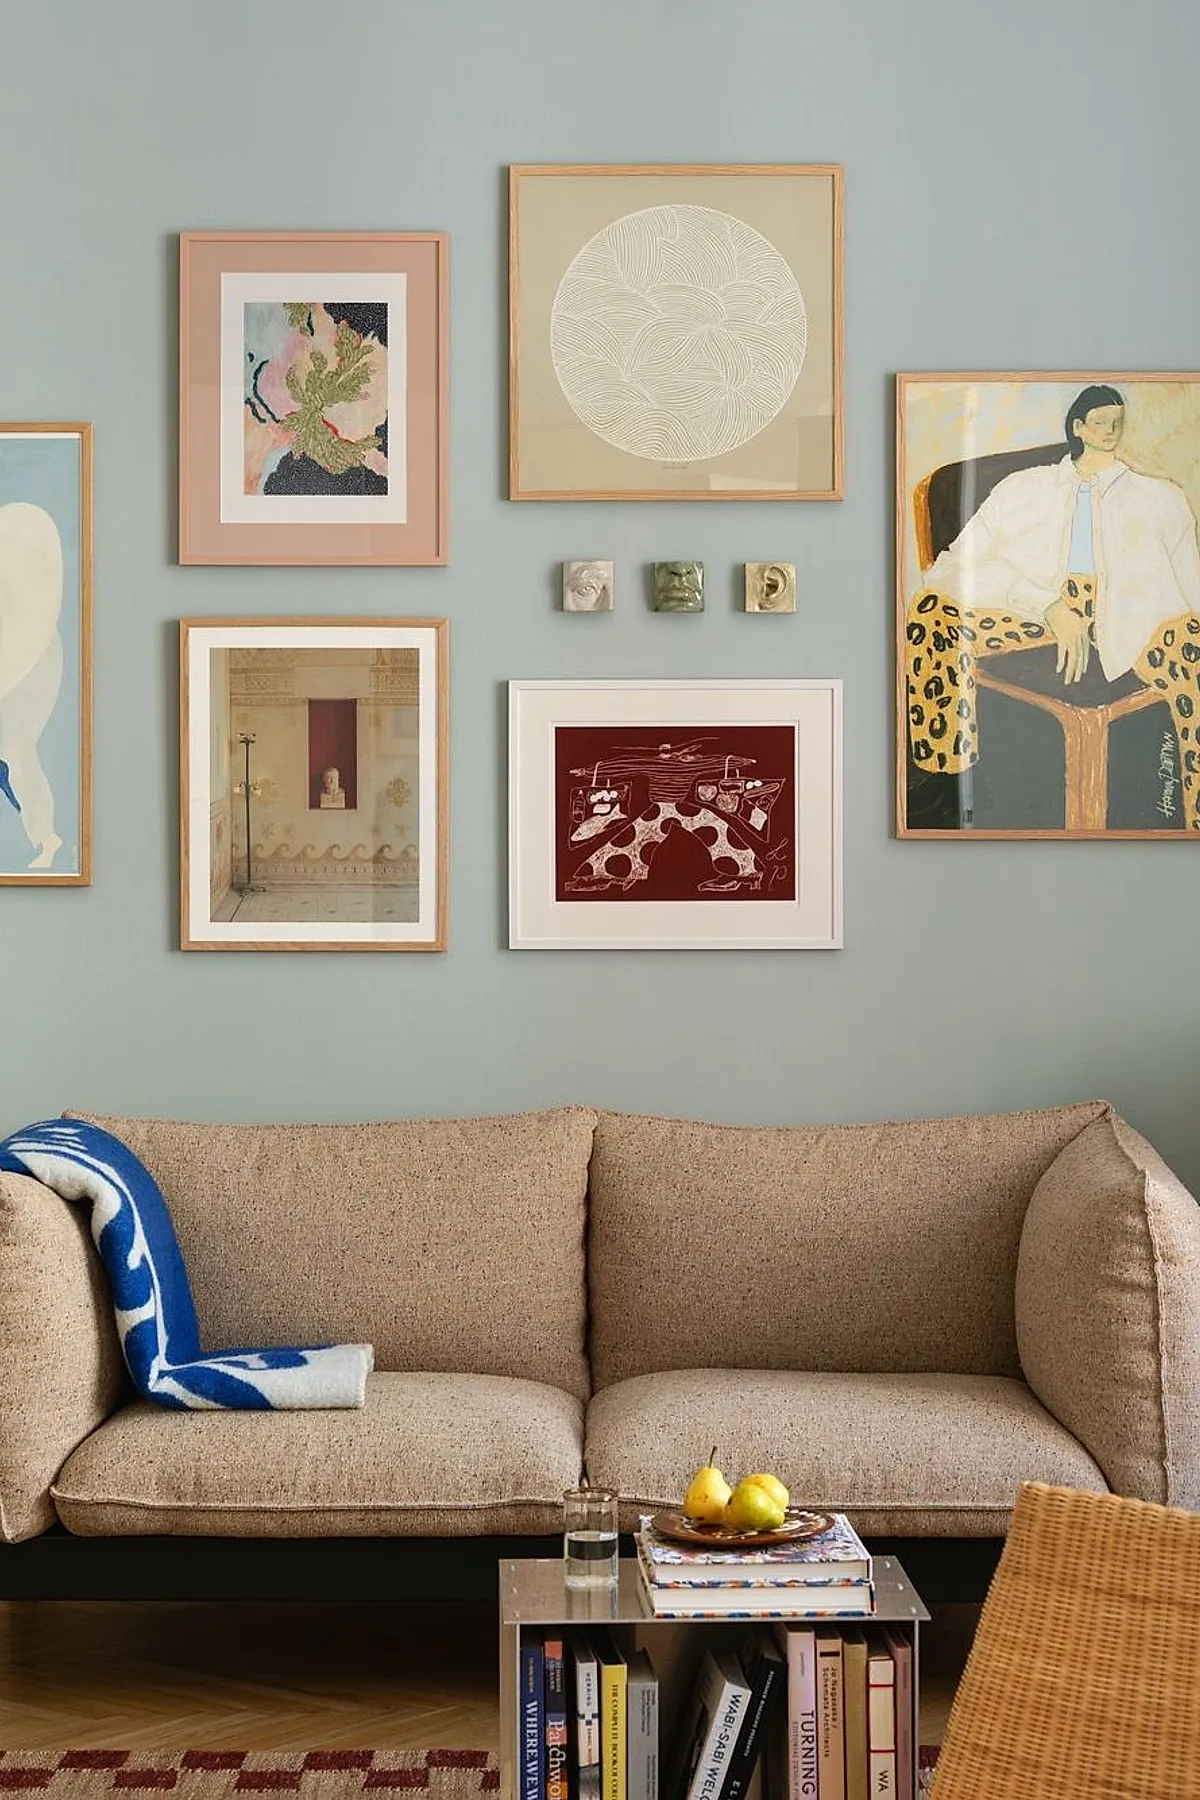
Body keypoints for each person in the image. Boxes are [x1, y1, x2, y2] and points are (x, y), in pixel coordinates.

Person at [906, 384, 1200, 828]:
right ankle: (947, 780)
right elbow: (950, 569)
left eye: (1117, 421)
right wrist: (1047, 605)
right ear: (1078, 427)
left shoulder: (1160, 496)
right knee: (930, 610)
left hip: (1136, 621)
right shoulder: (1023, 488)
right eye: (1099, 421)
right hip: (1031, 613)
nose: (1110, 430)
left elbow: (1191, 586)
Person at [0, 501, 65, 870]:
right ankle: (46, 835)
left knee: (15, 752)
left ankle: (46, 836)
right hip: (20, 664)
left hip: (25, 666)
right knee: (13, 755)